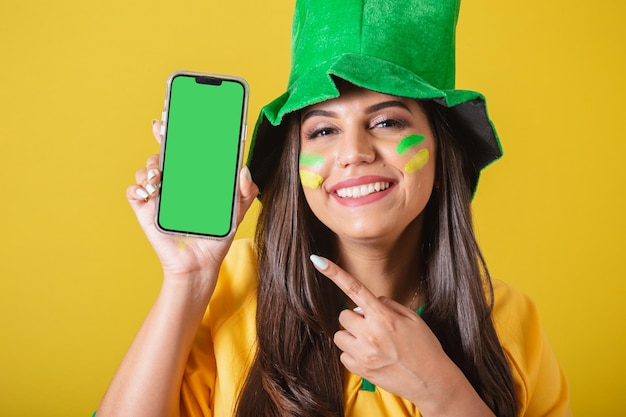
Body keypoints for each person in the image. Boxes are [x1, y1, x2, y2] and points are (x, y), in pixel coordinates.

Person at [96, 0, 572, 416]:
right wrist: (189, 279)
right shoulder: (233, 286)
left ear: (441, 146)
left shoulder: (510, 321)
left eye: (386, 121)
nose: (354, 152)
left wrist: (442, 393)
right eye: (323, 130)